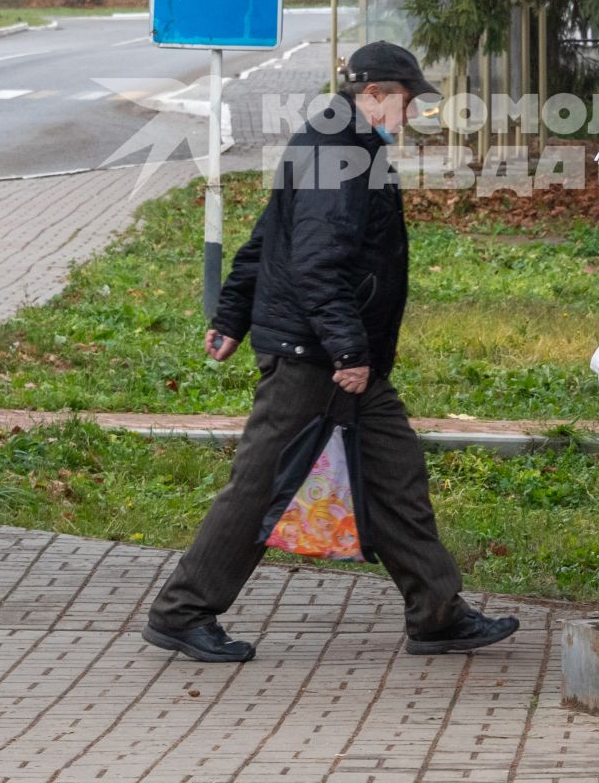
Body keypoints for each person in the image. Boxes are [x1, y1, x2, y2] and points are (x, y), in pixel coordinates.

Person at [142, 42, 520, 663]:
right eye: (404, 101)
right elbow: (317, 260)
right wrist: (347, 350)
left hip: (335, 353)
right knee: (260, 486)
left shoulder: (333, 140)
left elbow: (270, 234)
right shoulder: (341, 150)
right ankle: (182, 611)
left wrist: (233, 313)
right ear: (371, 94)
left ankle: (437, 612)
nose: (409, 115)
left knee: (396, 474)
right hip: (314, 357)